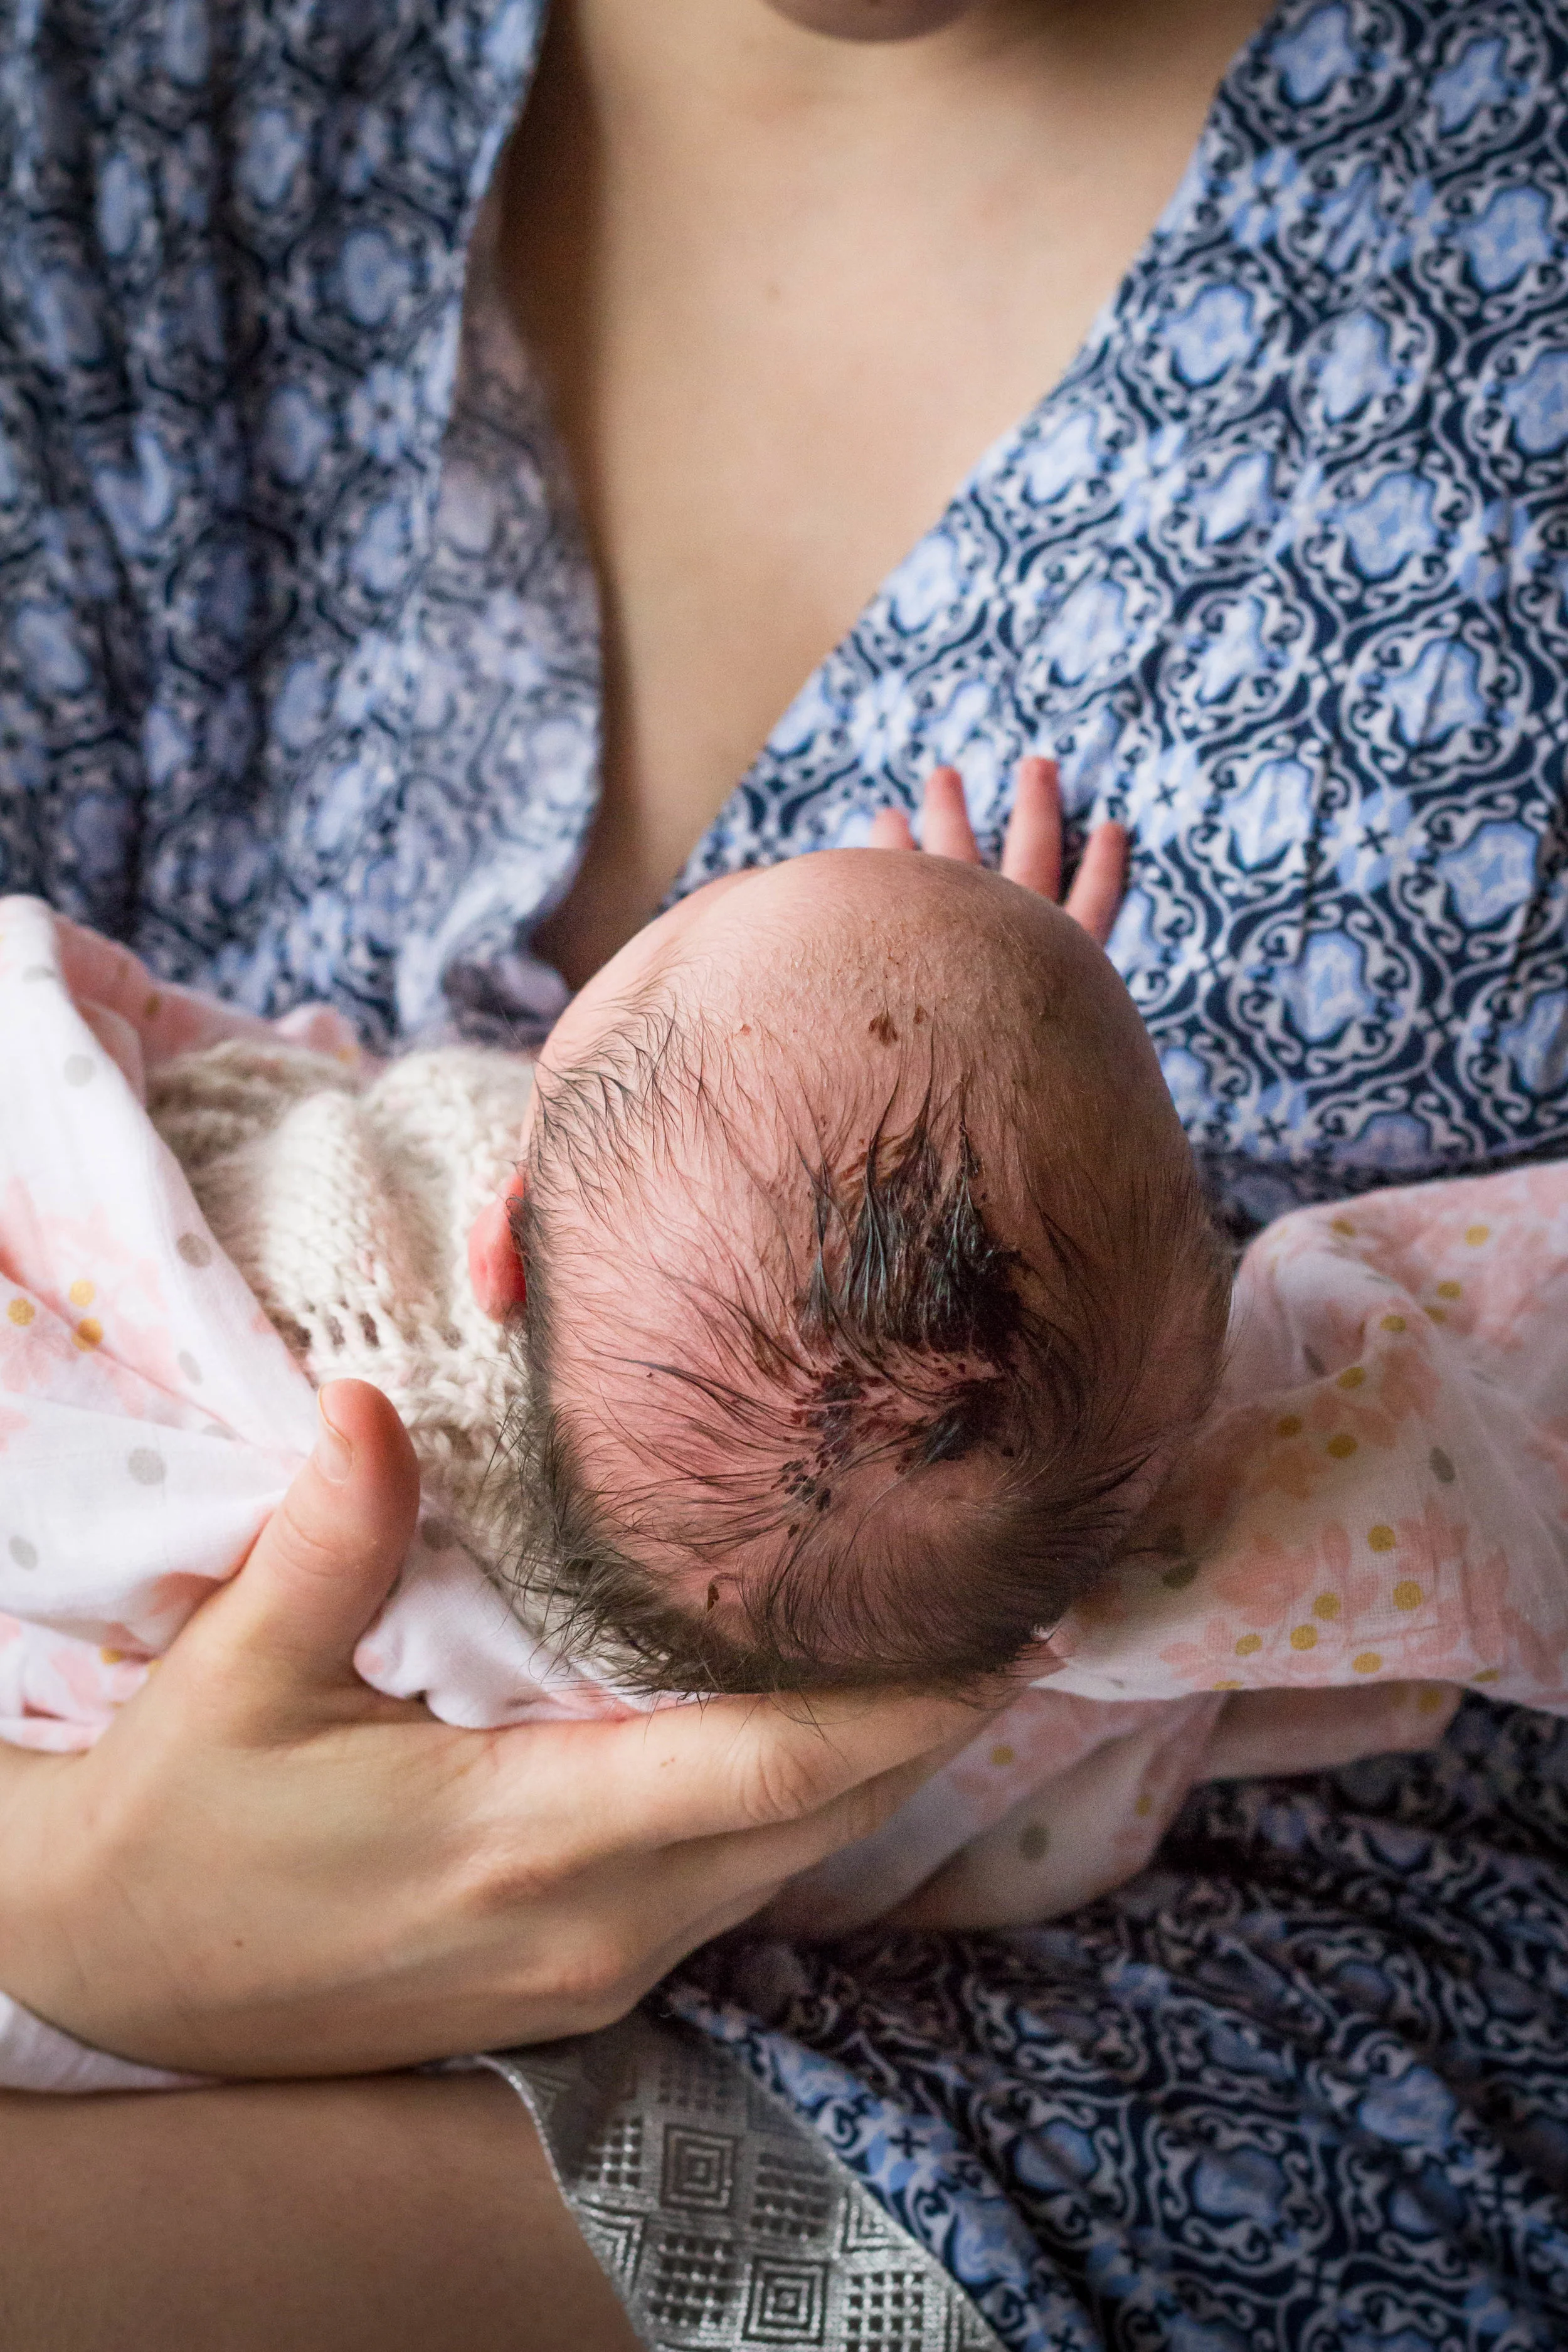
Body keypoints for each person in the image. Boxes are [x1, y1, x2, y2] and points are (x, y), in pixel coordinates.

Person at [2, 0, 1567, 2345]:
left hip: (1189, 2109)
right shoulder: (115, 84)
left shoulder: (318, 1351)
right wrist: (78, 1907)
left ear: (497, 1215)